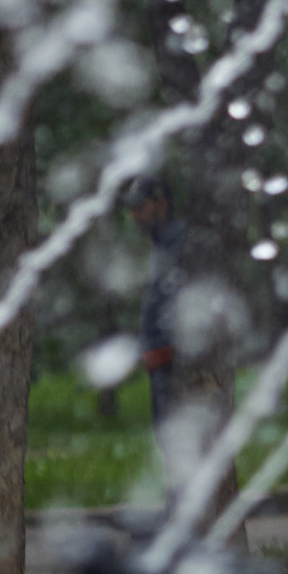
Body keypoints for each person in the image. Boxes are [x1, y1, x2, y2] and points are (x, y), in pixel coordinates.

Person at [124, 177, 183, 429]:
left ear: (161, 205)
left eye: (141, 208)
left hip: (176, 362)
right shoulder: (160, 244)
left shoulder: (179, 242)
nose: (135, 216)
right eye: (132, 209)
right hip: (160, 359)